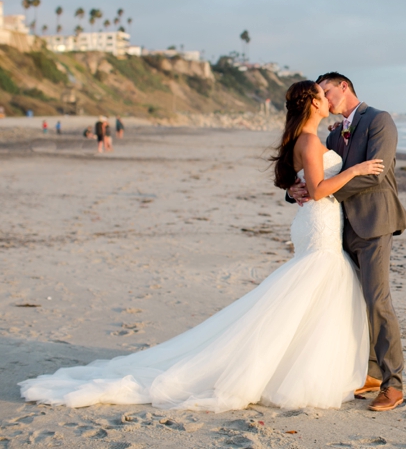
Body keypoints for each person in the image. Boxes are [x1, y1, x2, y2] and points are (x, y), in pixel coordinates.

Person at [19, 80, 384, 411]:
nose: (327, 99)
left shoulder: (309, 139)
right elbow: (319, 189)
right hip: (318, 224)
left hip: (317, 223)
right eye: (321, 96)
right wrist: (355, 169)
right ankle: (293, 372)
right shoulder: (308, 140)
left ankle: (297, 366)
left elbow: (305, 182)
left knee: (309, 294)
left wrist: (300, 185)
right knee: (309, 289)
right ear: (312, 105)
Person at [287, 72, 406, 412]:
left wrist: (323, 191)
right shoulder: (331, 133)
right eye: (320, 96)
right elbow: (316, 175)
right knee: (354, 301)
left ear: (344, 86)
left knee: (377, 300)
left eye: (327, 91)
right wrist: (295, 190)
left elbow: (377, 171)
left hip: (374, 223)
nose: (325, 101)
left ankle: (394, 383)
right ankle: (369, 373)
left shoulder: (379, 120)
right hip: (340, 228)